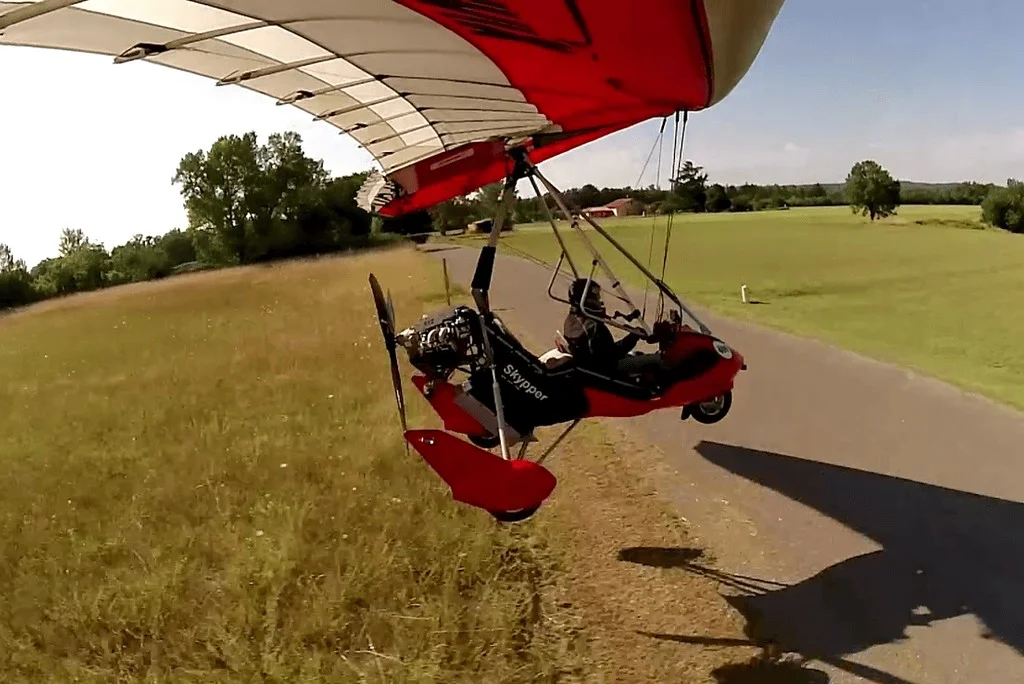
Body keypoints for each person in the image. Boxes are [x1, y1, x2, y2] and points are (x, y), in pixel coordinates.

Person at [562, 278, 662, 377]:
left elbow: (604, 352)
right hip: (606, 369)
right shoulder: (592, 327)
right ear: (587, 300)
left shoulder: (574, 320)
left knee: (638, 355)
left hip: (595, 365)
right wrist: (633, 337)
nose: (599, 301)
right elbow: (611, 355)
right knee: (659, 360)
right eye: (595, 298)